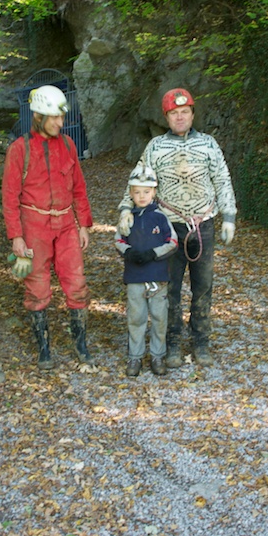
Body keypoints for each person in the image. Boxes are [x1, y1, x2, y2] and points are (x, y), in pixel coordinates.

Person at [117, 87, 237, 368]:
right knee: (169, 288)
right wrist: (125, 209)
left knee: (203, 286)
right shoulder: (155, 147)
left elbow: (222, 179)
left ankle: (201, 341)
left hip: (203, 225)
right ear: (166, 117)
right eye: (174, 113)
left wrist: (229, 216)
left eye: (184, 112)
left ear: (192, 114)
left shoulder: (208, 144)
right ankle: (172, 343)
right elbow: (138, 179)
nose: (180, 117)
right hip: (169, 227)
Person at [2, 84, 93, 370]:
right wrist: (16, 236)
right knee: (37, 287)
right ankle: (44, 349)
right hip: (34, 226)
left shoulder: (68, 145)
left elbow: (78, 187)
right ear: (38, 116)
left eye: (61, 117)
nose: (60, 123)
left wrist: (84, 224)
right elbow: (10, 197)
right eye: (54, 117)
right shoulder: (20, 150)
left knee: (76, 284)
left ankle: (80, 345)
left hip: (65, 224)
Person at [114, 162, 178, 378]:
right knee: (136, 317)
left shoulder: (161, 217)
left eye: (146, 192)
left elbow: (172, 242)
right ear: (131, 193)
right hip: (135, 276)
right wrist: (129, 252)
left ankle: (158, 355)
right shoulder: (127, 218)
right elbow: (118, 240)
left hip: (158, 276)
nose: (142, 196)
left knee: (160, 317)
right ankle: (135, 356)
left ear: (154, 192)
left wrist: (153, 253)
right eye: (137, 192)